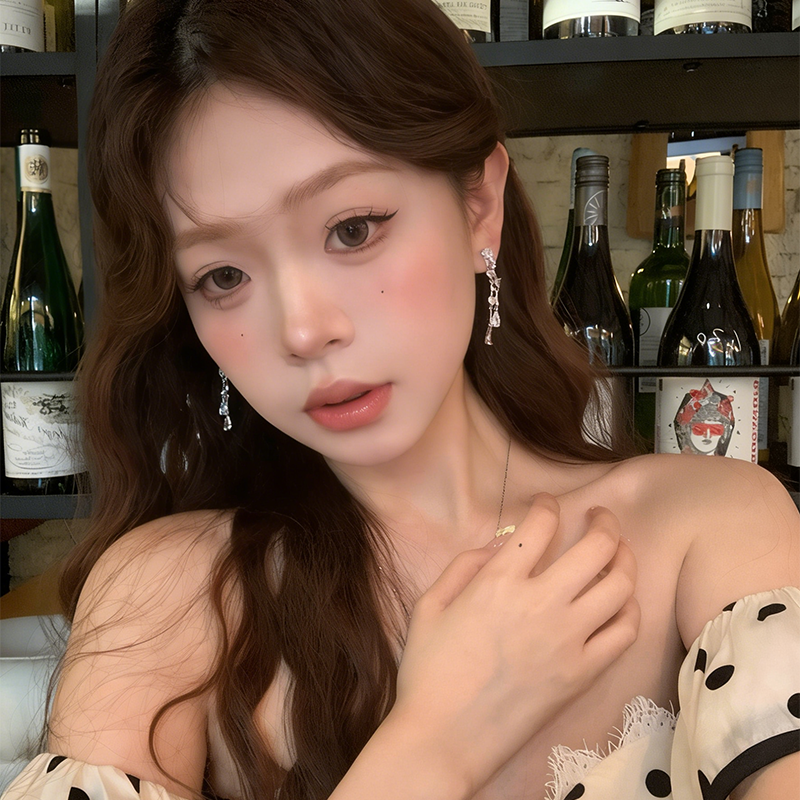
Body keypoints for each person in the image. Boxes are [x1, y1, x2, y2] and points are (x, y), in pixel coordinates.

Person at [3, 1, 800, 799]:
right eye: (224, 275)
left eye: (353, 229)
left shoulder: (708, 528)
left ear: (478, 206)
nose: (304, 330)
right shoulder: (166, 596)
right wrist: (439, 738)